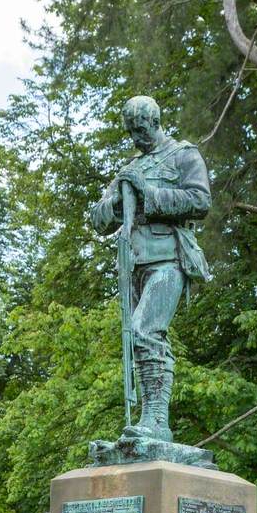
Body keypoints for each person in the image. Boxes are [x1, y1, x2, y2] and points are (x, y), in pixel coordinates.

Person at [90, 95, 211, 444]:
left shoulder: (183, 155)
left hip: (169, 260)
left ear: (156, 122)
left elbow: (200, 201)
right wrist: (116, 203)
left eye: (140, 129)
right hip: (133, 265)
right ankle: (148, 419)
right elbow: (98, 219)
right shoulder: (130, 168)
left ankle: (156, 420)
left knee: (145, 330)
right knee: (135, 340)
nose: (136, 138)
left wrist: (152, 194)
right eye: (130, 132)